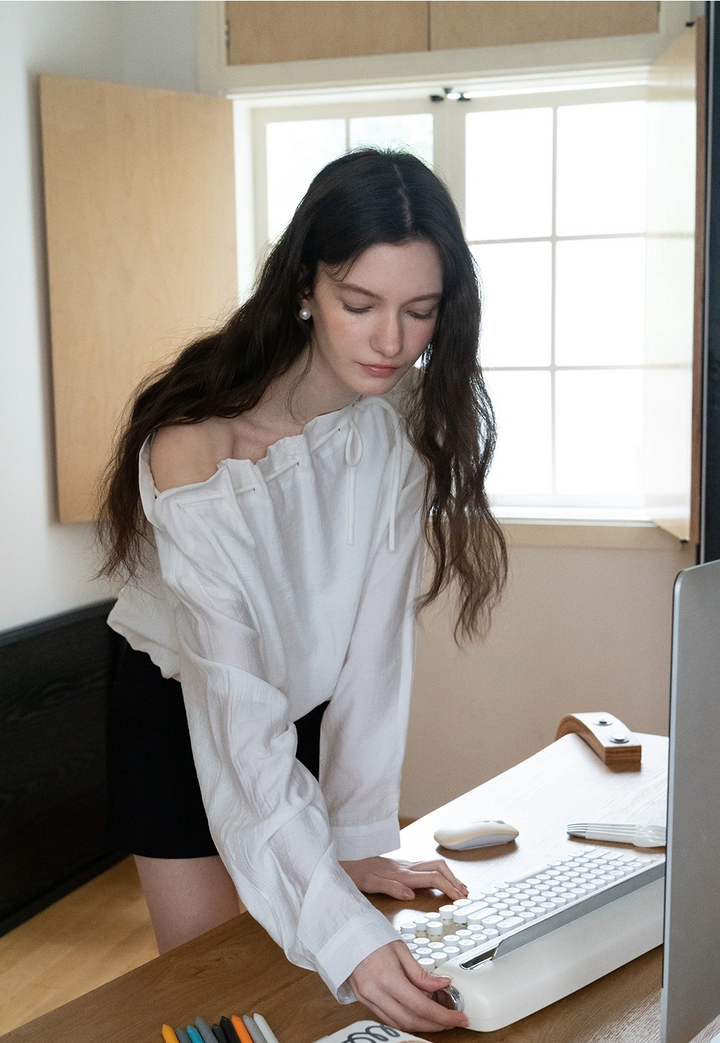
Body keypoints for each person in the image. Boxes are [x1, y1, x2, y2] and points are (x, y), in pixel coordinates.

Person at [98, 148, 507, 1032]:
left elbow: (372, 655)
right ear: (305, 289)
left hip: (307, 699)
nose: (392, 342)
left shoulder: (393, 423)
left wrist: (356, 846)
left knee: (331, 971)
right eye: (360, 305)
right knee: (226, 995)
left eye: (419, 311)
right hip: (185, 708)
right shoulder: (195, 452)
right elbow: (239, 720)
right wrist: (341, 930)